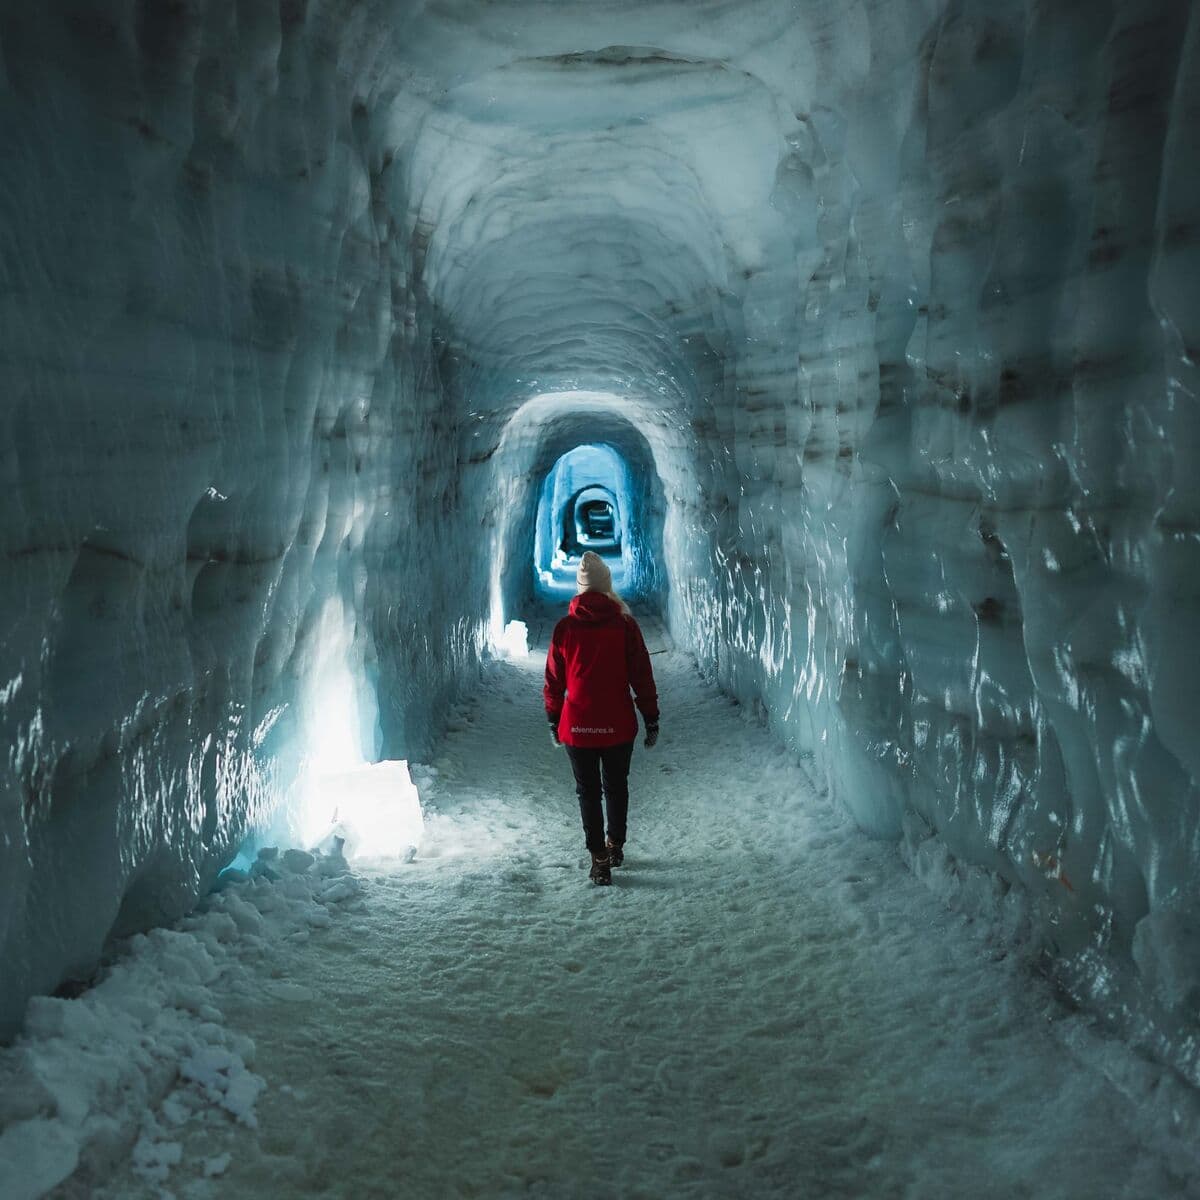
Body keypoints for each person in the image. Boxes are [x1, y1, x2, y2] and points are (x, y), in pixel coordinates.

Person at [543, 550, 660, 885]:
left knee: (588, 791)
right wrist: (651, 717)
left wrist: (554, 716)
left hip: (577, 726)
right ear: (608, 587)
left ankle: (598, 859)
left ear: (580, 590)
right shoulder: (625, 625)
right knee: (616, 786)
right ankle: (615, 845)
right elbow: (641, 675)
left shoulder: (565, 628)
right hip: (618, 724)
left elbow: (553, 679)